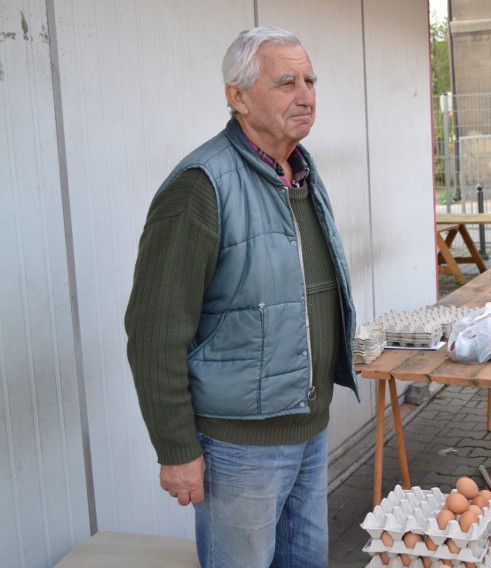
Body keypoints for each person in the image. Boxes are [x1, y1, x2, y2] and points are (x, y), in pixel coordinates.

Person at [124, 27, 359, 568]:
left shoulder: (299, 171)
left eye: (309, 80)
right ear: (238, 96)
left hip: (308, 426)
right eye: (285, 82)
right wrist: (177, 449)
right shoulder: (201, 186)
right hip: (240, 449)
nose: (305, 95)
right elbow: (156, 332)